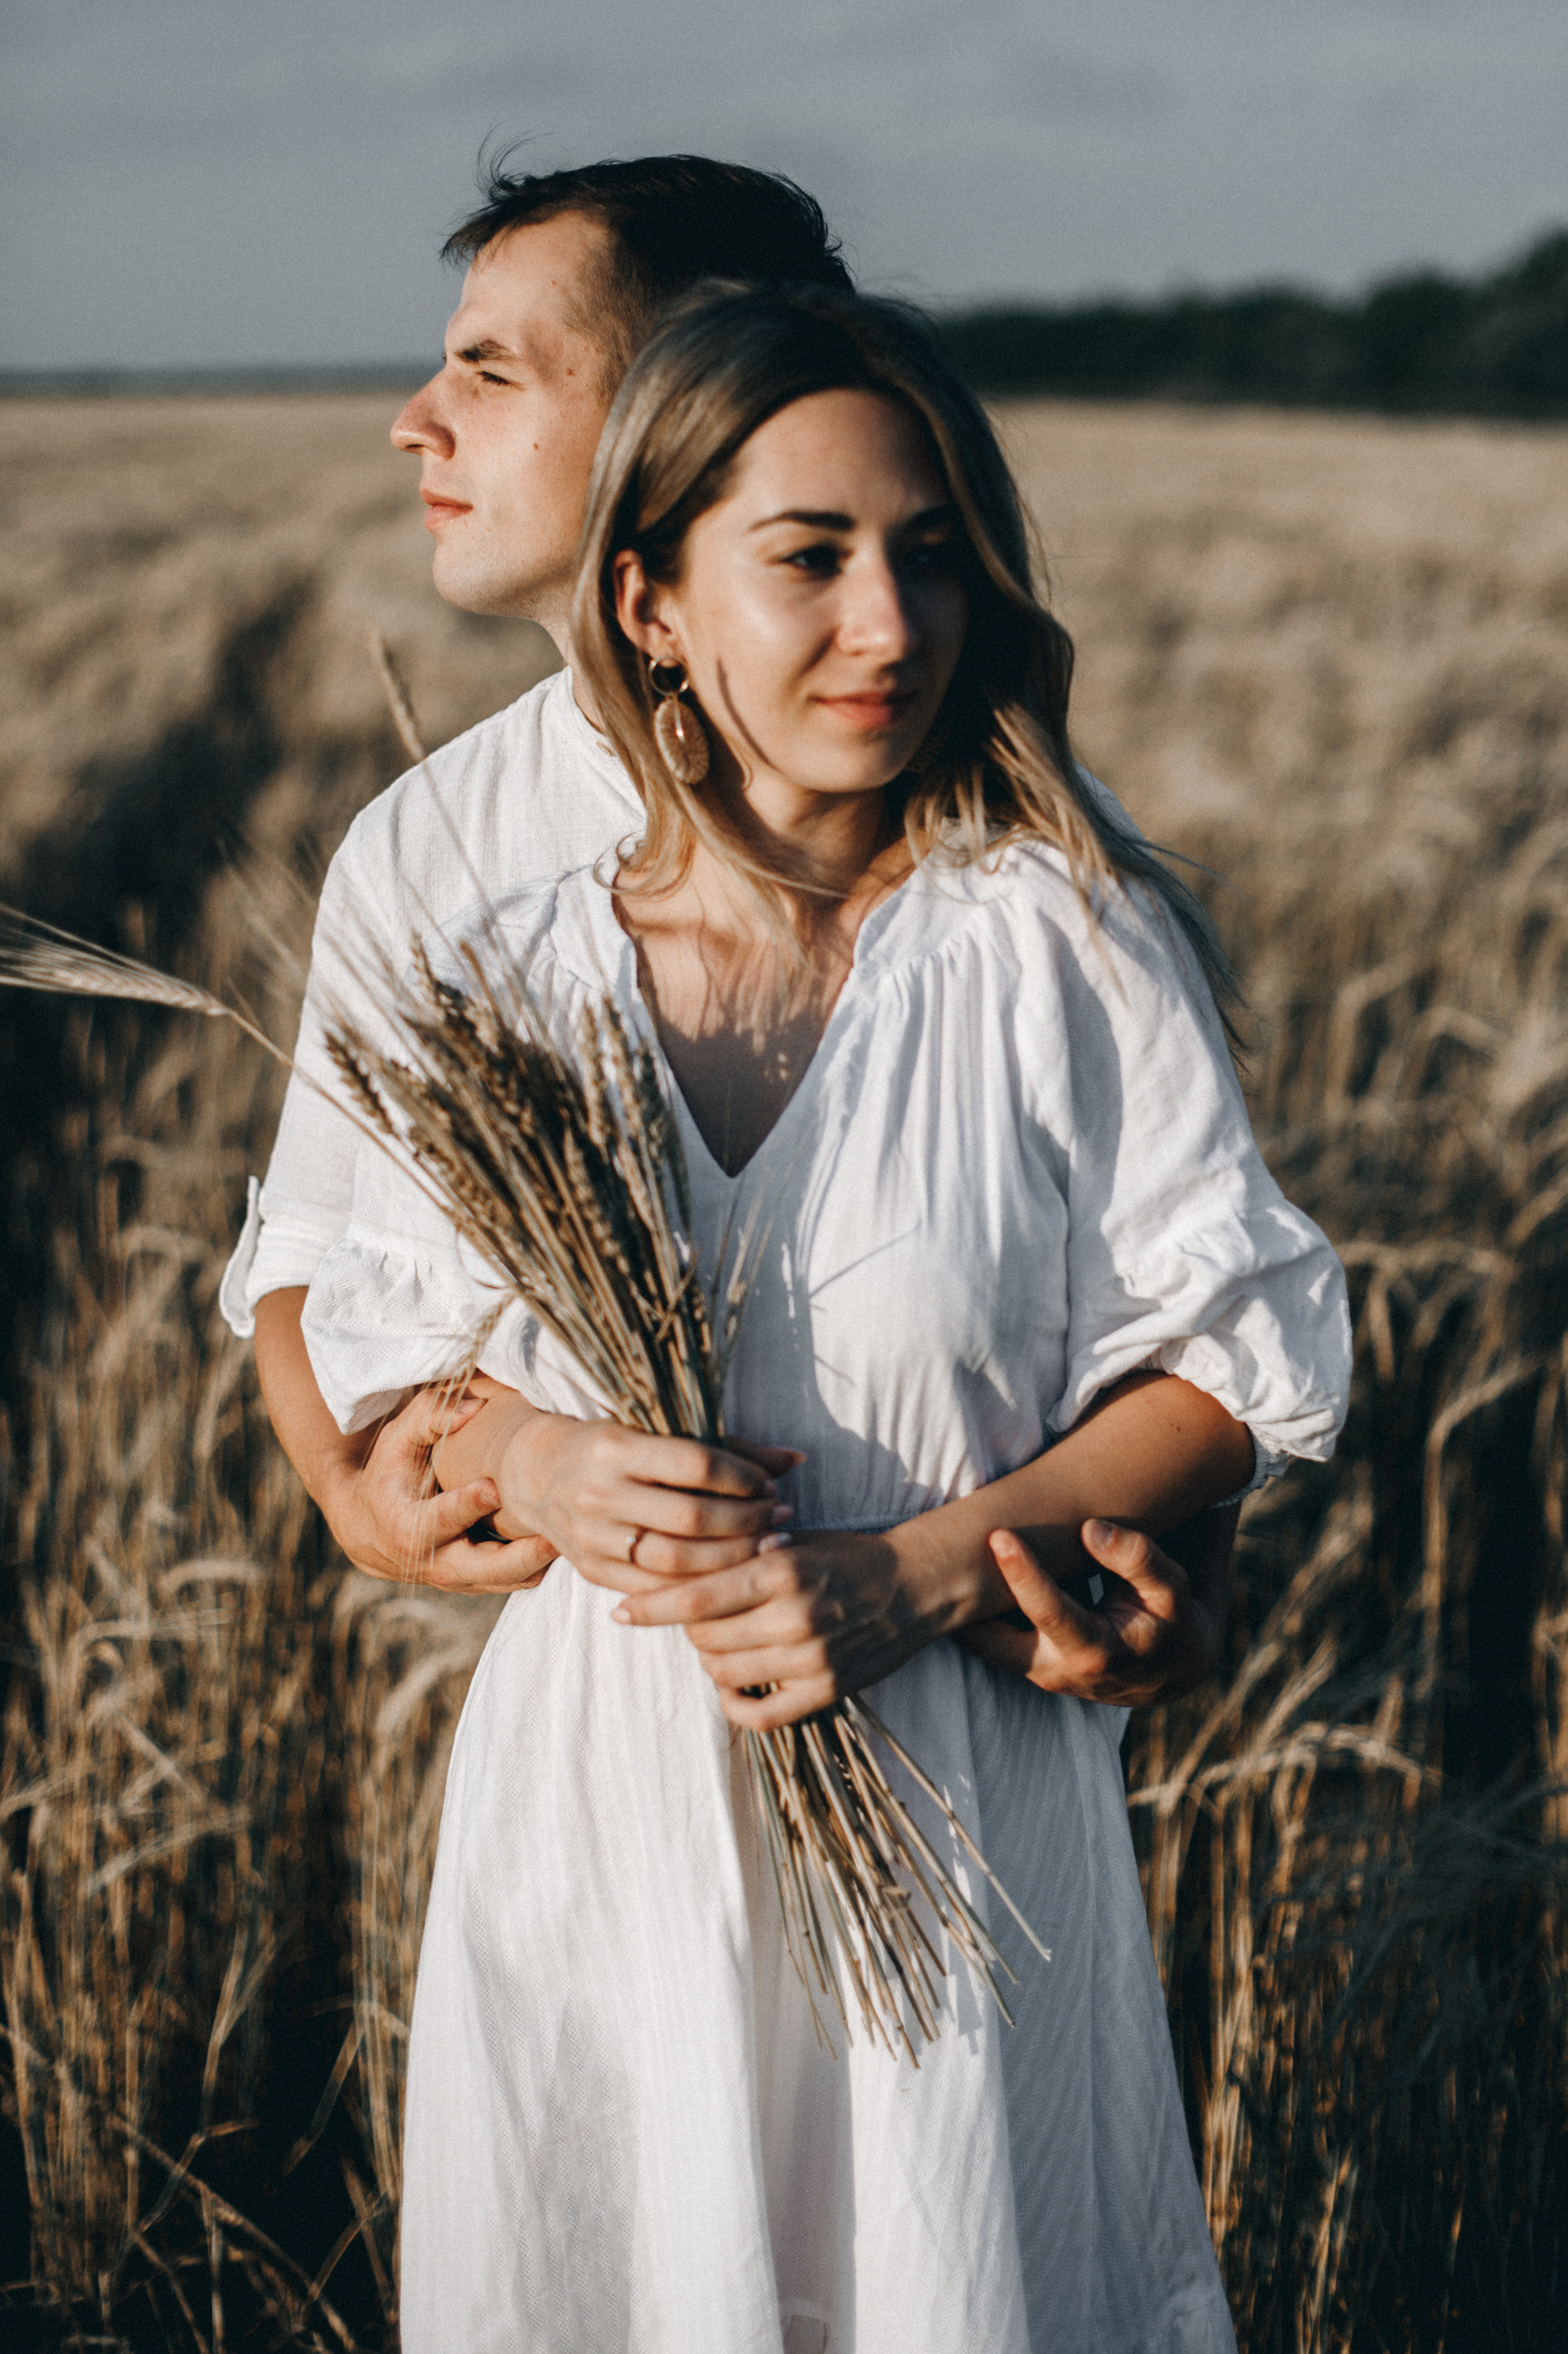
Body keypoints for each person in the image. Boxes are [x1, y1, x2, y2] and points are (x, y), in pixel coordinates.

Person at [300, 284, 1351, 2351]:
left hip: (955, 1825)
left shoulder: (1065, 933)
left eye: (931, 548)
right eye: (808, 557)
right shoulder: (495, 962)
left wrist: (917, 1570)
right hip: (601, 1824)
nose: (889, 622)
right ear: (653, 599)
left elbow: (1232, 1360)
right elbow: (381, 1377)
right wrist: (536, 1457)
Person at [222, 150, 1234, 1710]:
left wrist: (1159, 1578)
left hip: (952, 1726)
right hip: (616, 1706)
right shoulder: (437, 846)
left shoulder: (1025, 872)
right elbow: (310, 1249)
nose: (416, 421)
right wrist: (359, 1484)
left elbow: (1161, 1304)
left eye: (490, 373)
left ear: (680, 400)